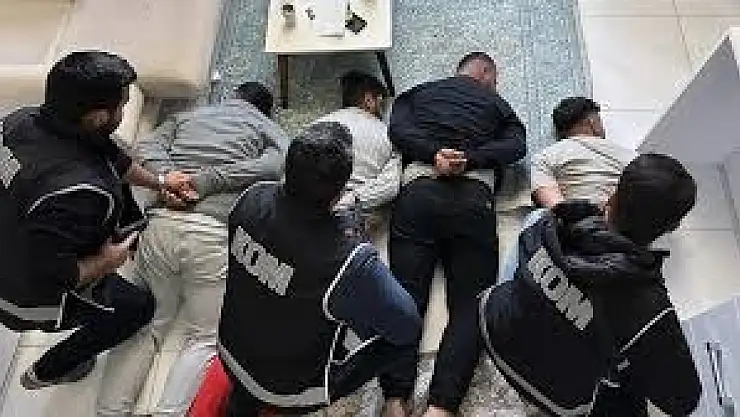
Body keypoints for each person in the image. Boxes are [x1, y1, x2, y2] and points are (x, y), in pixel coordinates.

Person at [0, 51, 195, 389]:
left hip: (16, 228)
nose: (124, 111)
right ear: (96, 117)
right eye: (122, 106)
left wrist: (161, 182)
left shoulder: (21, 120)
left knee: (111, 190)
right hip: (23, 292)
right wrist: (109, 260)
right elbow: (58, 275)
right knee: (135, 308)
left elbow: (111, 157)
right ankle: (47, 371)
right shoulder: (76, 193)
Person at [96, 82, 288, 416]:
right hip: (212, 234)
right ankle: (170, 413)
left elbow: (145, 147)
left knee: (146, 325)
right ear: (265, 110)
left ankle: (110, 412)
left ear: (232, 98)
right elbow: (276, 165)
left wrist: (169, 178)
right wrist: (207, 181)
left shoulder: (188, 116)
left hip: (160, 227)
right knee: (203, 337)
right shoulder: (267, 127)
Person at [218, 122, 422, 417]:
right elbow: (406, 324)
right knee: (399, 335)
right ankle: (393, 398)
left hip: (230, 351)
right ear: (340, 192)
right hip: (288, 390)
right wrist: (356, 237)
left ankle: (242, 402)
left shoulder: (250, 197)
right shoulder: (349, 258)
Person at [480, 153, 701, 416]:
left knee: (532, 224)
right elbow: (683, 399)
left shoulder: (551, 221)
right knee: (632, 388)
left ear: (612, 195)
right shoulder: (649, 307)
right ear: (672, 226)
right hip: (547, 391)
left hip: (493, 323)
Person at [381, 52, 527, 417]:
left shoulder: (418, 93)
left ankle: (394, 399)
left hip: (418, 195)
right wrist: (470, 158)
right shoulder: (498, 105)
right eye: (495, 79)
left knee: (405, 295)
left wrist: (433, 154)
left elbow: (397, 130)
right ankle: (441, 407)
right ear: (486, 73)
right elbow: (516, 146)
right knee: (469, 305)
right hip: (472, 202)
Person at [315, 71, 401, 236]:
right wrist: (353, 199)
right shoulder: (387, 135)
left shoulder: (317, 125)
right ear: (369, 100)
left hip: (307, 209)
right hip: (352, 219)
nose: (382, 113)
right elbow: (390, 186)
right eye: (381, 105)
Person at [531, 96, 637, 208]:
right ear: (592, 122)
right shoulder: (630, 156)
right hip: (623, 216)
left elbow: (553, 203)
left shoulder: (545, 157)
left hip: (573, 217)